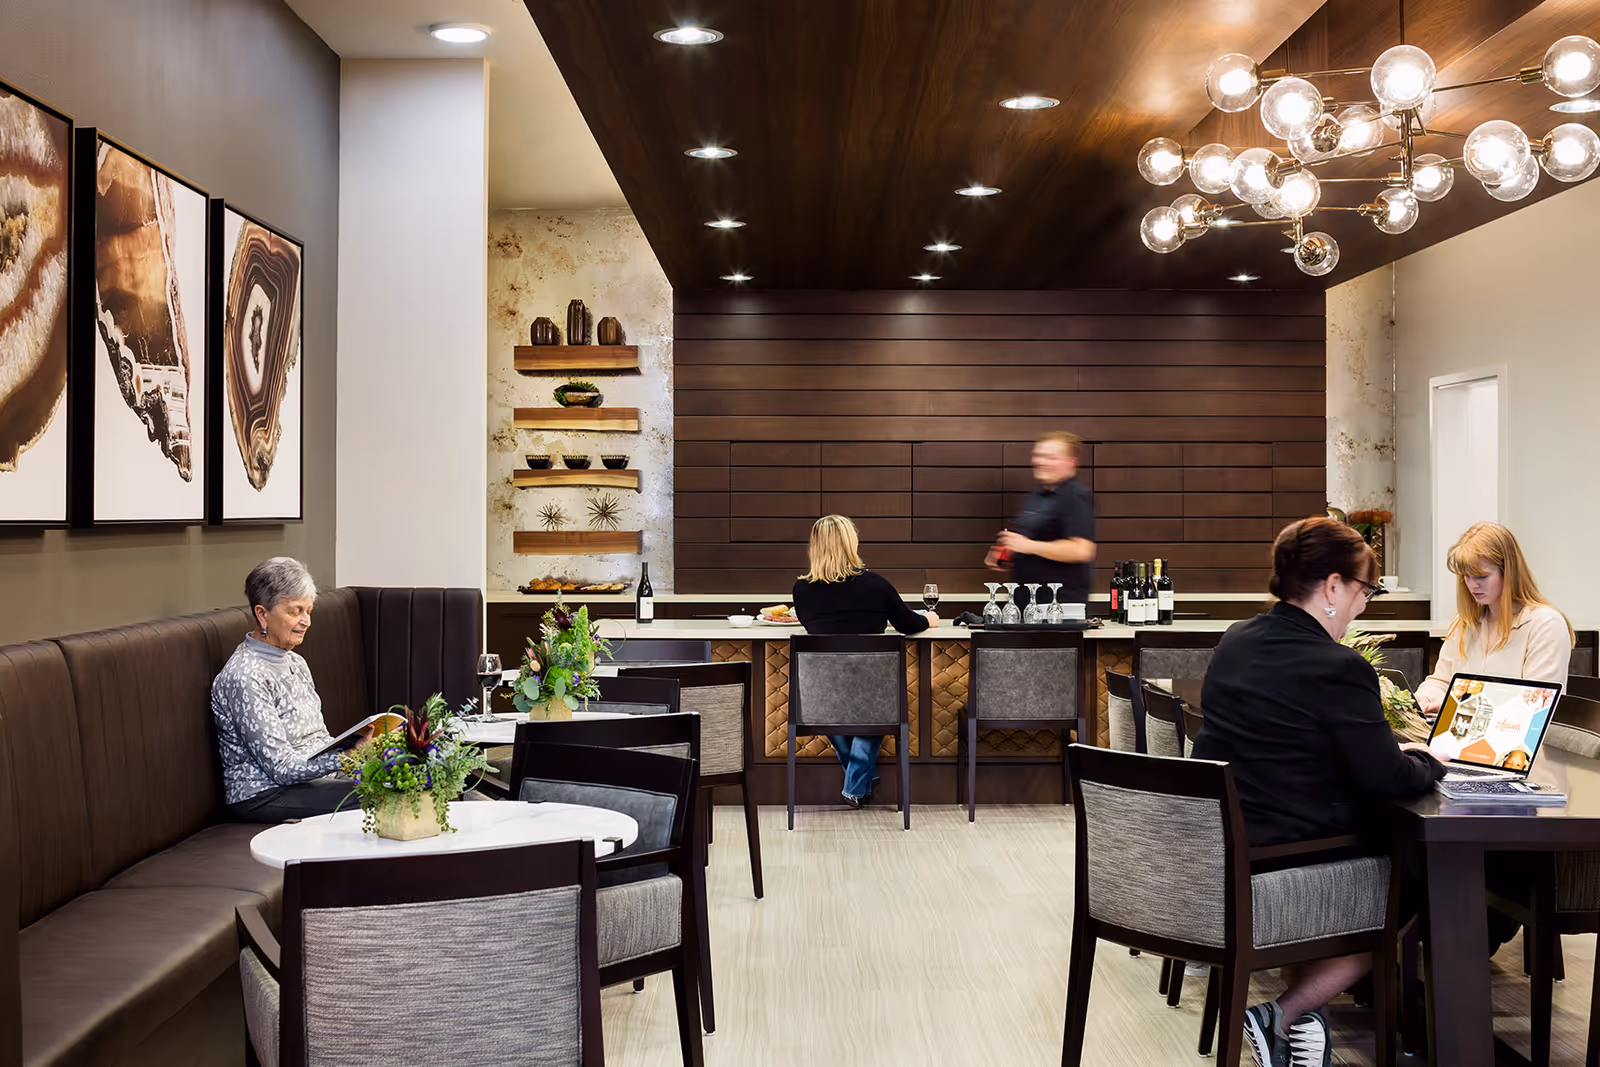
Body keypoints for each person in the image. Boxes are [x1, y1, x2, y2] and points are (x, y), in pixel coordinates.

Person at [1190, 516, 1444, 1065]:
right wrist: (1429, 760)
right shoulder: (1338, 665)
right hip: (1286, 859)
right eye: (1364, 591)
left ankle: (1306, 1035)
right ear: (1332, 586)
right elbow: (1387, 777)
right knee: (1424, 876)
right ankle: (1282, 1014)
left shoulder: (1236, 639)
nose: (1363, 607)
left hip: (1225, 851)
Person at [792, 515, 937, 808]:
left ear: (815, 547)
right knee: (879, 705)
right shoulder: (875, 585)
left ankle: (860, 781)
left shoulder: (801, 590)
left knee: (835, 707)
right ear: (851, 543)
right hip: (873, 693)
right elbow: (908, 624)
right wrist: (929, 619)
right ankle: (857, 785)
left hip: (822, 695)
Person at [213, 557, 359, 822]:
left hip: (310, 781)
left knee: (403, 773)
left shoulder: (296, 662)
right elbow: (281, 769)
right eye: (295, 612)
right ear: (262, 614)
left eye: (309, 611)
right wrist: (347, 758)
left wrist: (363, 752)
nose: (306, 621)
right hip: (263, 794)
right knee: (376, 793)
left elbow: (317, 739)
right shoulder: (245, 676)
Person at [1414, 522, 1573, 716]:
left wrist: (1459, 708)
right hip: (1462, 731)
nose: (1472, 585)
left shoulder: (1546, 625)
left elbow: (1534, 709)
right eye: (1466, 576)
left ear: (1509, 573)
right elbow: (1440, 681)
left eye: (1481, 576)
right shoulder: (1465, 624)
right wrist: (1425, 698)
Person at [986, 430, 1095, 609]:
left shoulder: (1075, 495)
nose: (1040, 462)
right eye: (1038, 455)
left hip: (1058, 607)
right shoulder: (1038, 494)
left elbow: (1081, 550)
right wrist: (1010, 550)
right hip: (1028, 603)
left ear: (1071, 462)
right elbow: (1034, 541)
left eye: (1051, 457)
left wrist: (1028, 545)